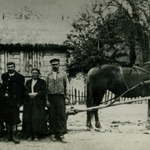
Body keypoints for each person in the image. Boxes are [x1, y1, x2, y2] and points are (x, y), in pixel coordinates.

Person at [46, 58, 70, 143]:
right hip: (51, 97)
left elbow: (66, 86)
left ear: (59, 65)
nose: (55, 66)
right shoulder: (48, 75)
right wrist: (47, 100)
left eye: (56, 64)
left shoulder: (63, 74)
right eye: (53, 64)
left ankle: (61, 134)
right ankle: (53, 134)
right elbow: (45, 88)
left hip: (60, 97)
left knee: (61, 115)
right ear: (51, 65)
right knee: (52, 116)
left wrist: (67, 97)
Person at [0, 62, 25, 144]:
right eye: (9, 67)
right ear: (7, 68)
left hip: (14, 102)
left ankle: (14, 136)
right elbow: (3, 88)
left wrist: (19, 102)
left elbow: (21, 91)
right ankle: (8, 136)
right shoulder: (4, 76)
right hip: (5, 102)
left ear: (14, 67)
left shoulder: (19, 77)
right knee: (6, 119)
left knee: (14, 119)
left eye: (11, 67)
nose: (10, 68)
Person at [22, 68, 47, 141]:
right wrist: (28, 94)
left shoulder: (42, 82)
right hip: (29, 102)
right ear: (31, 74)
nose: (34, 74)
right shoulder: (28, 82)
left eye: (36, 73)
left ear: (38, 74)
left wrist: (36, 94)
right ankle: (30, 134)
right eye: (33, 73)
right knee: (29, 118)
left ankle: (36, 134)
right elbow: (24, 91)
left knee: (37, 119)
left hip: (38, 103)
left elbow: (44, 91)